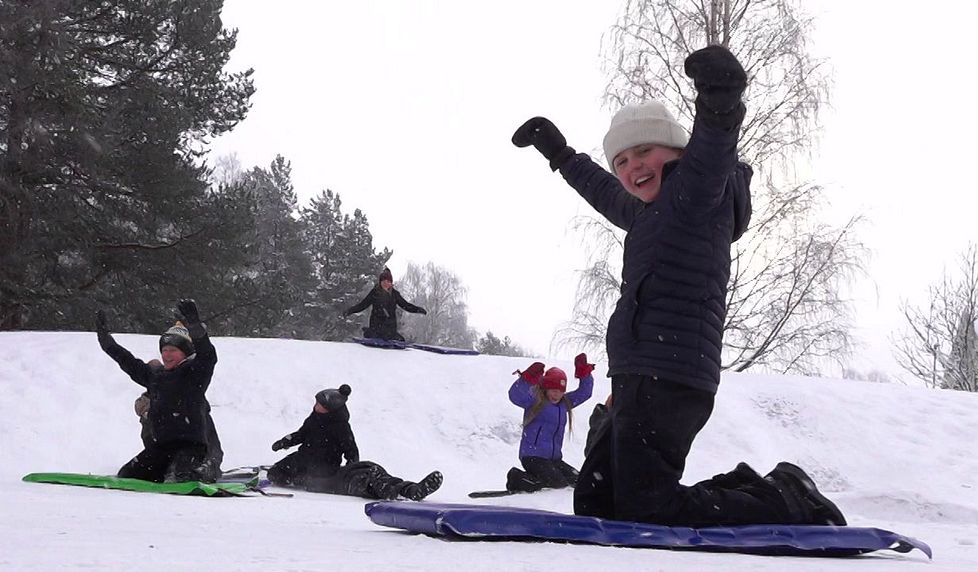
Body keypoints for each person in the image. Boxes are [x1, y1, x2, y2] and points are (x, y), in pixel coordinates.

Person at [512, 45, 845, 527]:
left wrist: (720, 97)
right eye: (622, 160)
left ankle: (784, 499)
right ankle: (750, 490)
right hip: (636, 373)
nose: (632, 167)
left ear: (677, 151)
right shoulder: (645, 212)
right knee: (597, 501)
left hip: (673, 372)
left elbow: (714, 145)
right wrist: (560, 154)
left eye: (644, 151)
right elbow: (599, 188)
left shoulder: (696, 193)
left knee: (647, 508)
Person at [96, 300, 224, 483]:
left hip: (191, 448)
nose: (167, 355)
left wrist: (195, 327)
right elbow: (128, 362)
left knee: (181, 475)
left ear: (185, 353)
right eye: (164, 350)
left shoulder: (194, 374)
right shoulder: (155, 376)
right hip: (163, 448)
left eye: (172, 350)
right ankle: (167, 474)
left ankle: (201, 472)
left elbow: (208, 355)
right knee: (127, 475)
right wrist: (106, 342)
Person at [267, 384, 443, 501]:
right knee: (275, 473)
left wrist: (352, 468)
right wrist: (285, 442)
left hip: (326, 470)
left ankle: (409, 490)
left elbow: (351, 451)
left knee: (368, 470)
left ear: (329, 409)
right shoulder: (314, 418)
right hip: (306, 466)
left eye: (319, 404)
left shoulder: (340, 427)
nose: (315, 405)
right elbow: (302, 434)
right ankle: (394, 489)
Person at [505, 354, 595, 493]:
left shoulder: (564, 404)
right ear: (545, 388)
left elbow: (585, 393)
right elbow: (515, 395)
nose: (557, 394)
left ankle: (536, 481)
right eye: (553, 390)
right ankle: (516, 477)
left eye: (560, 391)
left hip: (554, 460)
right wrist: (527, 378)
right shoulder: (534, 401)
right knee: (558, 484)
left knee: (579, 481)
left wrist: (584, 372)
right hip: (532, 457)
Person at [343, 267, 427, 341]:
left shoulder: (395, 294)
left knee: (401, 340)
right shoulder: (375, 293)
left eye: (388, 281)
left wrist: (418, 309)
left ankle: (376, 333)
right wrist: (350, 311)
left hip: (390, 328)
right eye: (383, 281)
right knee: (373, 335)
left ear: (391, 283)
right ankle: (369, 332)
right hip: (376, 326)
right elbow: (363, 305)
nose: (385, 283)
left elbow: (406, 305)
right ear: (380, 282)